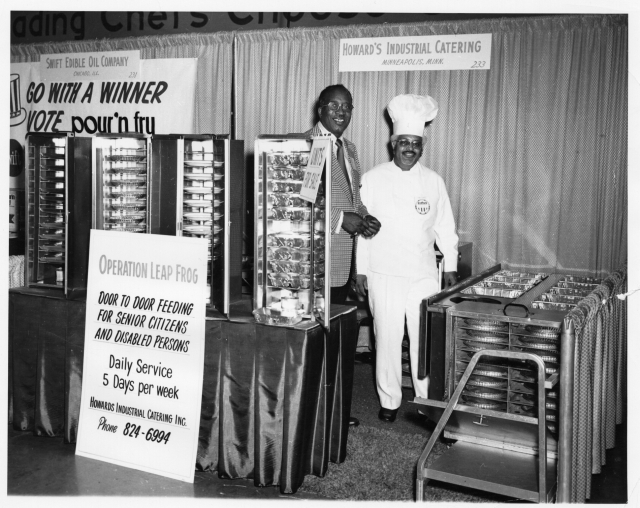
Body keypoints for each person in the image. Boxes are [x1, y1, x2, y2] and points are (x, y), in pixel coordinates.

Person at [355, 93, 458, 423]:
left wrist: (451, 267)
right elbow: (362, 229)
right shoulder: (371, 179)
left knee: (423, 340)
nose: (410, 149)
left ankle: (425, 400)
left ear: (422, 145)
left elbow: (446, 229)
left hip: (423, 275)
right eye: (404, 142)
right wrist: (361, 271)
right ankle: (389, 401)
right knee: (385, 338)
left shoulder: (434, 182)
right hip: (382, 272)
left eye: (416, 143)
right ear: (393, 143)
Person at [305, 84, 381, 427]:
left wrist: (364, 217)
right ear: (320, 108)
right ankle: (313, 408)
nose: (341, 111)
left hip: (345, 262)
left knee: (338, 338)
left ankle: (332, 408)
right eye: (334, 105)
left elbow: (354, 199)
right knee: (316, 338)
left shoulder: (349, 149)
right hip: (316, 262)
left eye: (347, 107)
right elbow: (303, 202)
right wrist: (340, 220)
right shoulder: (309, 145)